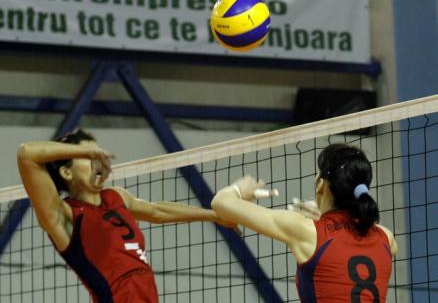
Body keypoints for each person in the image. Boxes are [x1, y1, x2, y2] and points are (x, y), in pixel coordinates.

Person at [17, 129, 237, 303]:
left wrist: (214, 215)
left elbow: (157, 211)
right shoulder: (63, 215)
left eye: (99, 156)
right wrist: (83, 151)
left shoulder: (116, 197)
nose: (99, 162)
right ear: (67, 172)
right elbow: (27, 154)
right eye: (89, 158)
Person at [212, 143, 397, 302]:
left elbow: (221, 203)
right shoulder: (386, 238)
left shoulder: (306, 231)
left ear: (321, 184)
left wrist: (239, 189)